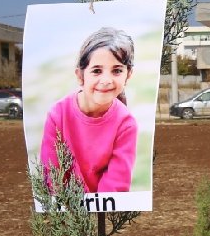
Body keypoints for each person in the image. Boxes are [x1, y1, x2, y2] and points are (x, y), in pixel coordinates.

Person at [40, 27, 138, 193]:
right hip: (68, 209)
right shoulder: (58, 115)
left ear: (128, 75)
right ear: (80, 75)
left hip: (102, 207)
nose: (106, 80)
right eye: (97, 71)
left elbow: (116, 183)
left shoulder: (126, 123)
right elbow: (52, 174)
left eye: (116, 71)